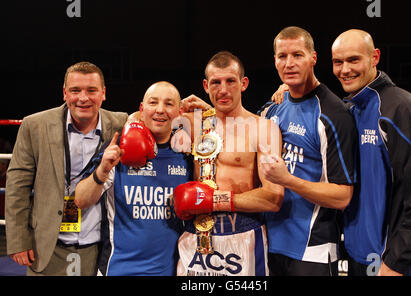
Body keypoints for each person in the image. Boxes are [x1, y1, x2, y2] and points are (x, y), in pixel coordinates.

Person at [331, 29, 411, 276]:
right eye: (338, 62)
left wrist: (396, 261)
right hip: (357, 256)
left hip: (393, 261)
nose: (344, 69)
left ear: (374, 57)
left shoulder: (403, 109)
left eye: (353, 60)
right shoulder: (350, 109)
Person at [5, 61, 128, 275]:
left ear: (103, 93)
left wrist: (192, 109)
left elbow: (157, 114)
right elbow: (17, 186)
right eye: (75, 90)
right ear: (64, 93)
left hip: (98, 248)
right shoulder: (35, 126)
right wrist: (17, 240)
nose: (83, 98)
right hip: (47, 246)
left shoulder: (120, 123)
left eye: (91, 90)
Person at [174, 51, 284, 276]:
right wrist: (173, 106)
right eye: (216, 82)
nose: (223, 89)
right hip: (195, 240)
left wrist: (212, 201)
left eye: (230, 81)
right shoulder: (191, 124)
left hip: (243, 236)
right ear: (205, 85)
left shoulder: (263, 129)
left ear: (243, 83)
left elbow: (273, 198)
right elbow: (138, 118)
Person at [259, 26, 357, 276]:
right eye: (283, 56)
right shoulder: (273, 109)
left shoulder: (333, 114)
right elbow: (242, 125)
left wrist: (287, 180)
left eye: (297, 55)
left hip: (313, 249)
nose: (289, 63)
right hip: (269, 244)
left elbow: (342, 195)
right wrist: (207, 111)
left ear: (313, 58)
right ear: (275, 61)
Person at [74, 81, 193, 275]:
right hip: (119, 269)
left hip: (171, 270)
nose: (160, 110)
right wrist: (102, 170)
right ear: (142, 108)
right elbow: (80, 199)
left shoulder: (187, 155)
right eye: (153, 103)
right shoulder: (118, 147)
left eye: (169, 104)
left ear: (180, 112)